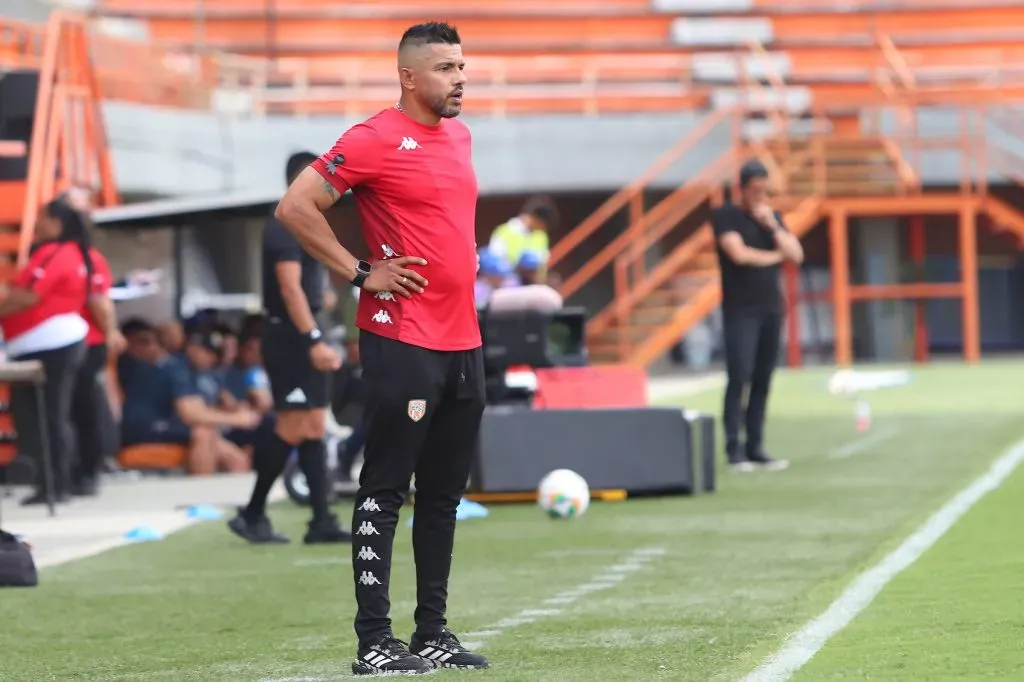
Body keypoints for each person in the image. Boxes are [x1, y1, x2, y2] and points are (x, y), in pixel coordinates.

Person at [274, 21, 489, 676]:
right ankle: (374, 639)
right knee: (386, 487)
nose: (460, 79)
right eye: (447, 68)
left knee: (445, 493)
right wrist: (361, 271)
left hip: (463, 339)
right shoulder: (373, 137)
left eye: (462, 66)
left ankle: (433, 633)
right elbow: (296, 206)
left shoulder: (460, 135)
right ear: (409, 76)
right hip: (404, 339)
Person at [227, 151, 352, 546]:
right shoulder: (285, 223)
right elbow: (289, 287)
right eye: (324, 178)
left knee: (313, 425)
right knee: (293, 426)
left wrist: (322, 304)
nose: (331, 186)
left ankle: (320, 520)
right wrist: (313, 339)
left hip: (303, 332)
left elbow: (306, 284)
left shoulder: (305, 221)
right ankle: (252, 513)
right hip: (290, 339)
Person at [712, 160, 804, 472]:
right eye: (754, 191)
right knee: (740, 375)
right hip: (740, 311)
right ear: (743, 188)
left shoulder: (772, 217)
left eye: (764, 191)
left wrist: (774, 228)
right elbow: (739, 254)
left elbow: (797, 254)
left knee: (763, 378)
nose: (759, 197)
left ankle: (756, 446)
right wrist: (776, 257)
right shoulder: (726, 216)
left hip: (770, 309)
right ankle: (733, 448)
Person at [0, 196, 90, 504]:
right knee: (40, 416)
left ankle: (56, 483)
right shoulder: (63, 252)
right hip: (43, 344)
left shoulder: (57, 253)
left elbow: (28, 297)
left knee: (48, 416)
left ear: (57, 222)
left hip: (51, 344)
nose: (36, 222)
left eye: (42, 216)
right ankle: (51, 481)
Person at [70, 203, 126, 496]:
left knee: (86, 410)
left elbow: (99, 300)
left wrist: (111, 331)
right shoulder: (80, 257)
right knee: (78, 411)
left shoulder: (89, 259)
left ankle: (89, 471)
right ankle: (80, 470)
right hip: (78, 344)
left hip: (88, 344)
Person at [488, 195, 558, 273]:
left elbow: (544, 261)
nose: (542, 229)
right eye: (542, 225)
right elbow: (494, 261)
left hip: (533, 281)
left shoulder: (541, 235)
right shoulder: (505, 231)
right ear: (535, 218)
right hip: (510, 280)